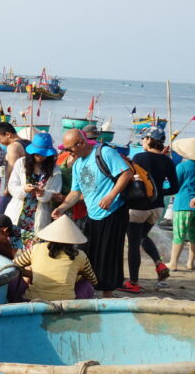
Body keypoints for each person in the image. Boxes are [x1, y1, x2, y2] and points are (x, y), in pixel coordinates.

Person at [51, 128, 134, 298]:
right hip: (93, 214)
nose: (68, 153)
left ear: (81, 143)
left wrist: (111, 196)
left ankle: (107, 294)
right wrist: (62, 208)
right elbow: (75, 193)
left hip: (113, 211)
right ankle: (90, 289)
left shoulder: (104, 153)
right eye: (66, 150)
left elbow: (127, 173)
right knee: (88, 252)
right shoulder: (77, 164)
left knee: (109, 253)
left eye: (69, 149)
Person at [123, 129, 179, 291]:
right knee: (142, 236)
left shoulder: (139, 157)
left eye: (144, 138)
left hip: (138, 206)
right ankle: (159, 264)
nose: (142, 141)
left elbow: (129, 179)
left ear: (149, 140)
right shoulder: (167, 161)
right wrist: (159, 192)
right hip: (157, 207)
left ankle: (133, 283)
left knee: (133, 244)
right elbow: (174, 187)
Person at [11, 216, 98, 302]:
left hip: (32, 299)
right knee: (87, 284)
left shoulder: (36, 249)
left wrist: (30, 273)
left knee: (14, 273)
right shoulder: (80, 255)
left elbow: (13, 265)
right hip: (65, 303)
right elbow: (93, 280)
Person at [6, 132, 62, 249]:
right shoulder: (21, 163)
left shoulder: (55, 169)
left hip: (38, 217)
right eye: (37, 154)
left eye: (43, 154)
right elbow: (12, 186)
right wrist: (24, 189)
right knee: (12, 250)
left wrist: (43, 193)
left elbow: (54, 192)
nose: (40, 157)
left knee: (34, 252)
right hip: (17, 216)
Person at [169, 138, 195, 272]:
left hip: (183, 205)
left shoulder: (182, 167)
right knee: (194, 236)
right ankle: (190, 263)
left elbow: (174, 185)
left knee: (179, 235)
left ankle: (173, 263)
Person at [0, 122, 29, 214]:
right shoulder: (29, 142)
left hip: (15, 186)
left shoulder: (13, 147)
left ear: (8, 134)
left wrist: (8, 188)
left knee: (1, 217)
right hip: (27, 185)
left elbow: (12, 168)